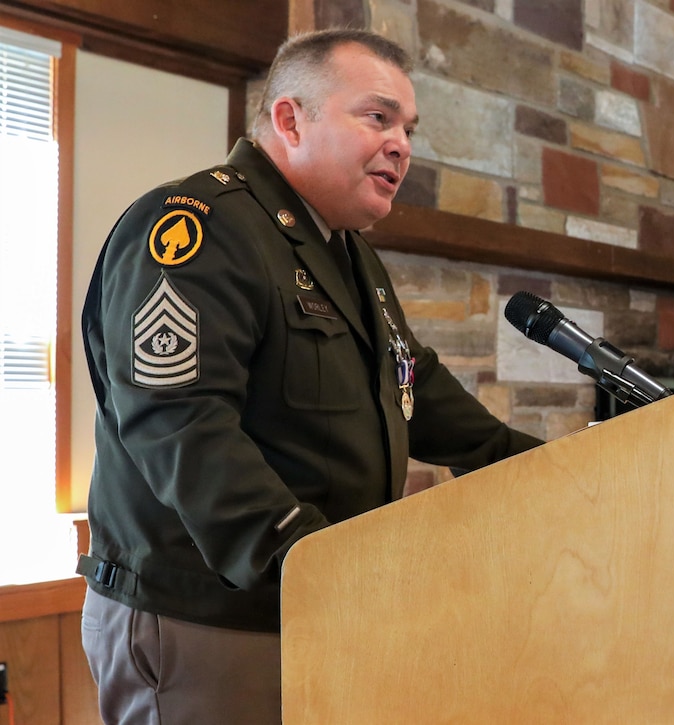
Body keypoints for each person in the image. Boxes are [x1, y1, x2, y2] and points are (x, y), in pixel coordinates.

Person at [77, 28, 542, 724]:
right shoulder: (197, 226)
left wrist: (561, 469)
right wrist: (312, 561)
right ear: (292, 119)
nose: (402, 145)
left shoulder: (347, 254)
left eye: (408, 128)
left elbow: (422, 394)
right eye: (378, 117)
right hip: (210, 620)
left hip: (312, 603)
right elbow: (179, 421)